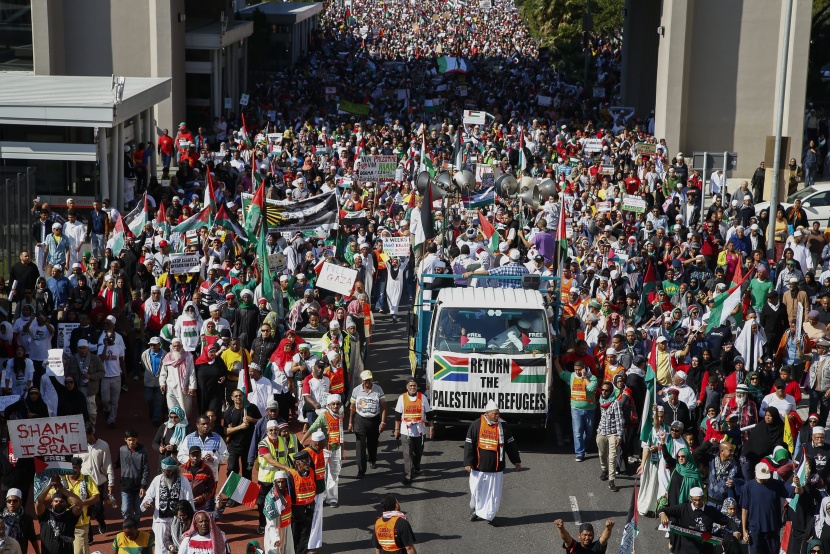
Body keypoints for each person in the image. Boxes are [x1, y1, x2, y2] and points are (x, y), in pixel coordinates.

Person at [463, 400, 522, 525]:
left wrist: (516, 460)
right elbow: (469, 444)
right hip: (479, 468)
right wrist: (468, 462)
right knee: (478, 492)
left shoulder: (503, 426)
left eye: (498, 413)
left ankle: (490, 515)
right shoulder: (476, 425)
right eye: (494, 414)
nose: (497, 416)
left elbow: (511, 444)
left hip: (496, 469)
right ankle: (477, 510)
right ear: (487, 413)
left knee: (493, 495)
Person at [741, 462, 803, 554]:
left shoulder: (776, 484)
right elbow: (744, 509)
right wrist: (744, 530)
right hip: (755, 529)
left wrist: (798, 484)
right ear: (755, 474)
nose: (763, 480)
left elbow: (799, 491)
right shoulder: (748, 486)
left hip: (772, 529)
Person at [658, 486, 740, 554]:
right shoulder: (683, 508)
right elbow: (663, 510)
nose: (697, 503)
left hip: (704, 549)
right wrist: (662, 514)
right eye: (695, 500)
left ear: (703, 498)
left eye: (700, 500)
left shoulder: (710, 511)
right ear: (690, 499)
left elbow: (728, 521)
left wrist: (736, 531)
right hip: (686, 549)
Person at [301, 394, 345, 506]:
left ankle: (332, 499)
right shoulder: (323, 416)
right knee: (320, 474)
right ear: (329, 405)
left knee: (334, 475)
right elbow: (312, 429)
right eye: (333, 404)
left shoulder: (340, 414)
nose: (336, 406)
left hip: (336, 449)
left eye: (338, 404)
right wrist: (301, 442)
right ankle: (320, 496)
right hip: (324, 451)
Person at [141, 456, 194, 547]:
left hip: (178, 520)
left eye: (169, 471)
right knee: (161, 548)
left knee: (177, 546)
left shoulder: (183, 481)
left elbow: (189, 500)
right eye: (164, 470)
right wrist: (146, 503)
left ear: (175, 470)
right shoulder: (157, 479)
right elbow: (149, 495)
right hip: (160, 520)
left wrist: (191, 518)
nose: (166, 473)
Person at [554, 357, 598, 462]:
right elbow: (562, 374)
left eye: (579, 369)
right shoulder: (572, 376)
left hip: (589, 409)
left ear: (584, 368)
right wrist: (556, 362)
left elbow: (591, 388)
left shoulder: (592, 378)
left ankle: (585, 446)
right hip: (575, 409)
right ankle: (579, 453)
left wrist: (584, 377)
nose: (577, 371)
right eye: (576, 369)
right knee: (577, 432)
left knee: (589, 432)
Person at [393, 378, 433, 486]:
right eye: (410, 386)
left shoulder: (423, 398)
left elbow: (429, 415)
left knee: (418, 452)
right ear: (407, 387)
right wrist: (396, 429)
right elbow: (397, 417)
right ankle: (408, 475)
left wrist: (431, 427)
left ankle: (416, 465)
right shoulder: (402, 398)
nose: (412, 388)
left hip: (420, 431)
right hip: (406, 431)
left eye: (414, 386)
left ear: (417, 387)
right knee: (407, 454)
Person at [348, 370, 387, 478]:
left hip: (374, 420)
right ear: (362, 380)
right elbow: (352, 407)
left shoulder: (378, 390)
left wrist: (383, 422)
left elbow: (383, 407)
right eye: (365, 380)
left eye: (369, 380)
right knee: (360, 444)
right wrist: (350, 422)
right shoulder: (356, 390)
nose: (367, 382)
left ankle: (372, 459)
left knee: (373, 442)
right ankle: (361, 470)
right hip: (360, 420)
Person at [60, 457, 99, 554]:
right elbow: (48, 496)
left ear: (80, 467)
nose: (73, 470)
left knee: (79, 551)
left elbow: (96, 497)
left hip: (80, 523)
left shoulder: (86, 479)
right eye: (71, 468)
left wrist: (82, 503)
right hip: (63, 522)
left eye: (75, 467)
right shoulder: (61, 480)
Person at [35, 476, 83, 554]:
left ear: (66, 503)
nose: (58, 503)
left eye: (61, 501)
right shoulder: (45, 515)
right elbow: (39, 502)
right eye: (56, 501)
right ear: (51, 503)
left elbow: (80, 504)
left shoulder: (70, 515)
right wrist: (49, 486)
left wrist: (61, 489)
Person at [224, 388, 262, 481]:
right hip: (233, 447)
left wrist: (252, 420)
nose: (238, 397)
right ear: (232, 398)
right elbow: (225, 431)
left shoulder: (252, 408)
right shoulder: (229, 412)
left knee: (247, 472)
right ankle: (232, 494)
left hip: (249, 446)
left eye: (240, 395)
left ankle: (246, 495)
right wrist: (240, 427)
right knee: (232, 469)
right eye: (236, 396)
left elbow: (261, 422)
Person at [287, 450, 317, 554]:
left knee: (305, 535)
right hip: (296, 510)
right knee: (295, 534)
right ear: (298, 463)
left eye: (309, 461)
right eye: (305, 461)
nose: (308, 463)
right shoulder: (291, 475)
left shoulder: (312, 472)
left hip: (309, 507)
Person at [117, 428, 150, 523]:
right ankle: (128, 524)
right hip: (125, 484)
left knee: (137, 510)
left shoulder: (143, 451)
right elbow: (118, 463)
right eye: (129, 440)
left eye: (133, 440)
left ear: (137, 440)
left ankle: (135, 526)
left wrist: (143, 486)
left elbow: (146, 469)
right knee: (125, 509)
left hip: (138, 485)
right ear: (125, 440)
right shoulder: (122, 450)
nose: (131, 442)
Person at [596, 379, 623, 492]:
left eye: (606, 391)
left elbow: (619, 420)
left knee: (612, 457)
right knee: (602, 453)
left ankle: (611, 480)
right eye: (602, 390)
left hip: (613, 433)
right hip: (602, 431)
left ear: (611, 391)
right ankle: (604, 469)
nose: (604, 392)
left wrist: (619, 436)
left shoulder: (615, 403)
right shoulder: (601, 401)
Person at [263, 471, 294, 554]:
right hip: (275, 531)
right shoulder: (271, 499)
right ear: (275, 483)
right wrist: (275, 538)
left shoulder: (287, 494)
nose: (280, 485)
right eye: (278, 482)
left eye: (282, 482)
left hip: (287, 528)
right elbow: (270, 523)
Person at [1, 488, 38, 554]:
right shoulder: (1, 518)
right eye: (9, 501)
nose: (11, 503)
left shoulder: (26, 519)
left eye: (15, 501)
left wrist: (38, 552)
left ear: (20, 502)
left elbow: (33, 537)